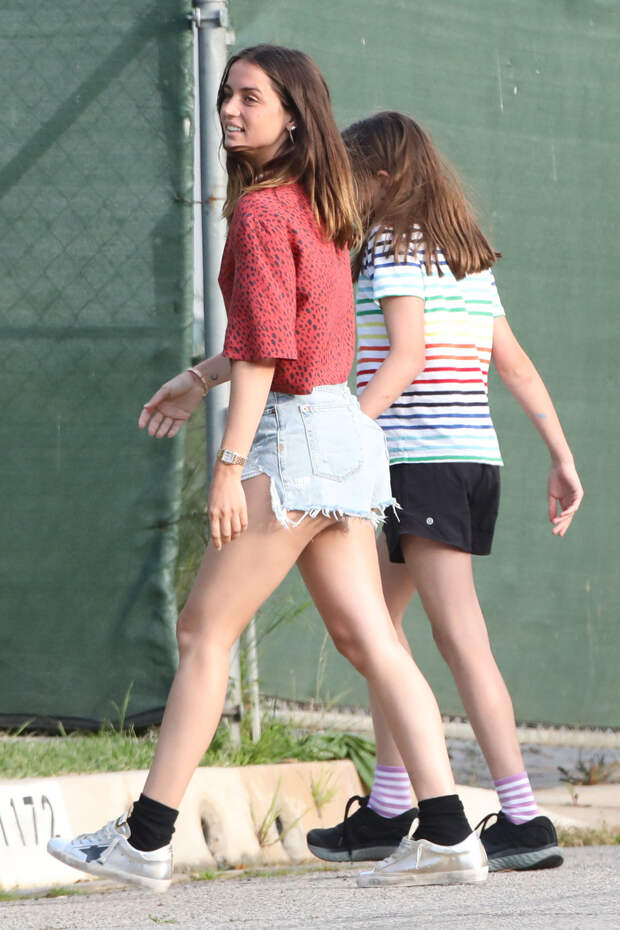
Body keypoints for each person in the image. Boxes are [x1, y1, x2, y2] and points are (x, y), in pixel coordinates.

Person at [48, 49, 488, 892]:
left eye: (250, 97)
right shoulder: (323, 207)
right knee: (372, 639)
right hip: (344, 433)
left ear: (294, 115)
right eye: (226, 95)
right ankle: (447, 831)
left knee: (201, 633)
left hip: (293, 438)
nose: (229, 108)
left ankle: (145, 840)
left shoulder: (259, 212)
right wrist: (197, 377)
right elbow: (283, 334)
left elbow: (264, 353)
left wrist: (228, 465)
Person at [306, 111, 584, 873]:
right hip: (464, 461)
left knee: (457, 638)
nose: (343, 191)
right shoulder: (464, 256)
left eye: (351, 178)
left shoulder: (392, 249)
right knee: (379, 630)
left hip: (419, 461)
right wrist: (561, 455)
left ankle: (523, 819)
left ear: (383, 179)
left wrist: (341, 432)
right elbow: (514, 364)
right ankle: (391, 806)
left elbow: (405, 356)